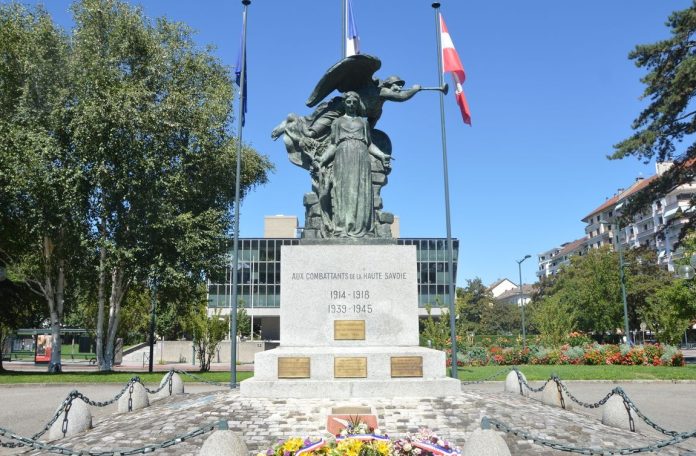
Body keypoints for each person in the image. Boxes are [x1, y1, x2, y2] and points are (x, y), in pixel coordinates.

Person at [314, 92, 391, 238]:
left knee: (361, 191)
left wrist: (381, 155)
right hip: (342, 158)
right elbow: (333, 145)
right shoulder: (337, 123)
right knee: (343, 191)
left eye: (354, 102)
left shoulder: (363, 122)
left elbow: (369, 144)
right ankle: (342, 228)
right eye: (348, 102)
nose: (351, 105)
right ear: (345, 103)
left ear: (357, 104)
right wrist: (322, 159)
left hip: (361, 157)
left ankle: (363, 228)